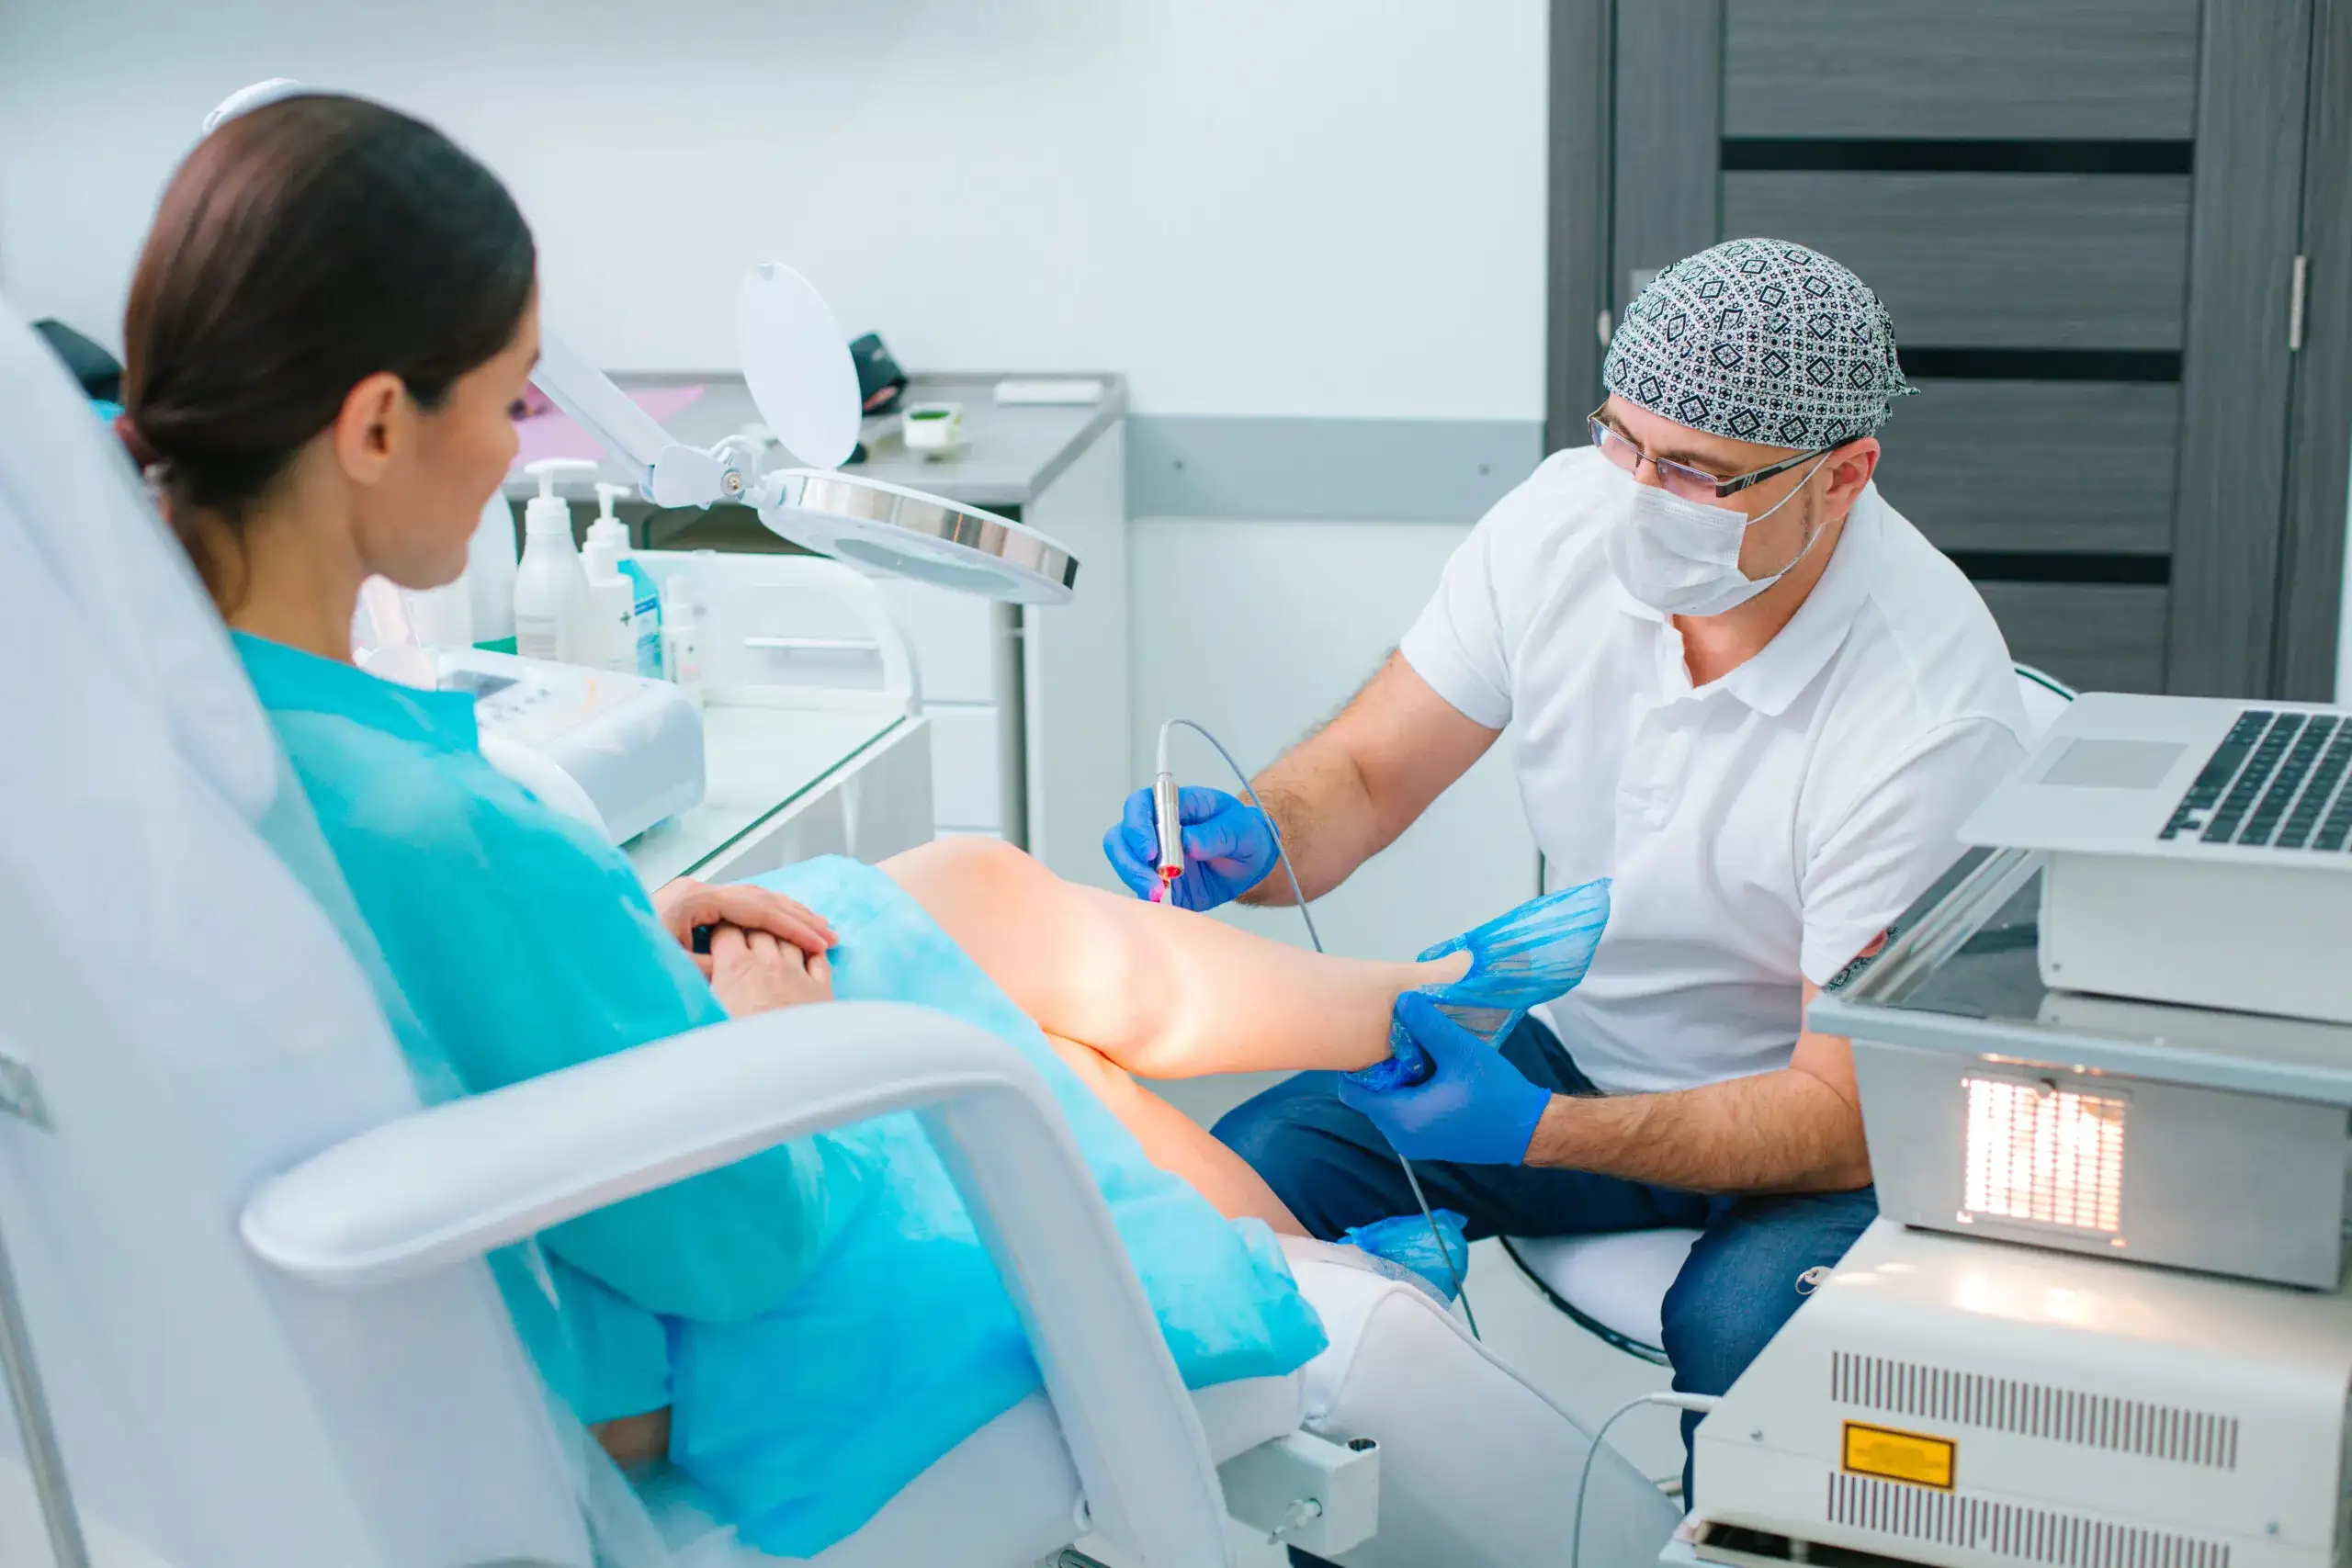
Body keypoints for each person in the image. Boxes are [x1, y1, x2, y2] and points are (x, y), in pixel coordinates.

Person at [116, 91, 1611, 1556]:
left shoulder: (171, 722)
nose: (525, 446)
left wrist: (638, 946)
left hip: (579, 1188)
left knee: (961, 892)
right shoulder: (429, 818)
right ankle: (1348, 1298)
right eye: (512, 399)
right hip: (753, 1309)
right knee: (1049, 1083)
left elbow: (449, 1008)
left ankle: (1409, 1048)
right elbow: (742, 1238)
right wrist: (771, 1043)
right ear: (377, 423)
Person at [1106, 237, 2030, 1484]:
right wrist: (1259, 832)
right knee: (1254, 1172)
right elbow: (1370, 775)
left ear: (1844, 476)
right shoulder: (1557, 524)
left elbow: (1834, 1117)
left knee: (1755, 1346)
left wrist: (1537, 1132)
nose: (1640, 497)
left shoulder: (1921, 713)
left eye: (1698, 473)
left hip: (1822, 1129)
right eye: (1625, 441)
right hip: (1577, 1038)